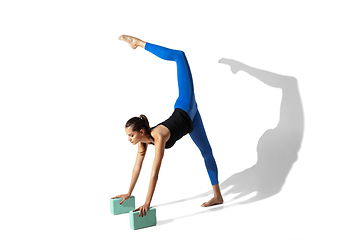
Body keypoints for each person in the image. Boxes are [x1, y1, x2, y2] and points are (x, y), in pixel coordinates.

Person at [112, 35, 223, 217]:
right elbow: (137, 168)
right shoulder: (143, 142)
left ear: (141, 132)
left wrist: (147, 203)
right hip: (192, 121)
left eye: (130, 135)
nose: (129, 139)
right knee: (206, 152)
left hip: (186, 105)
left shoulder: (159, 137)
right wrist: (129, 192)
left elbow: (155, 172)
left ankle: (138, 42)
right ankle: (218, 196)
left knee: (179, 55)